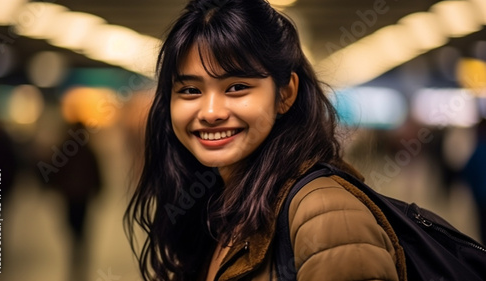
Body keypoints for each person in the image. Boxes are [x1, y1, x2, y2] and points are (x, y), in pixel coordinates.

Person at [124, 0, 406, 280]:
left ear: (285, 94)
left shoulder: (327, 216)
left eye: (236, 87)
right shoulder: (216, 210)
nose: (210, 113)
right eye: (189, 90)